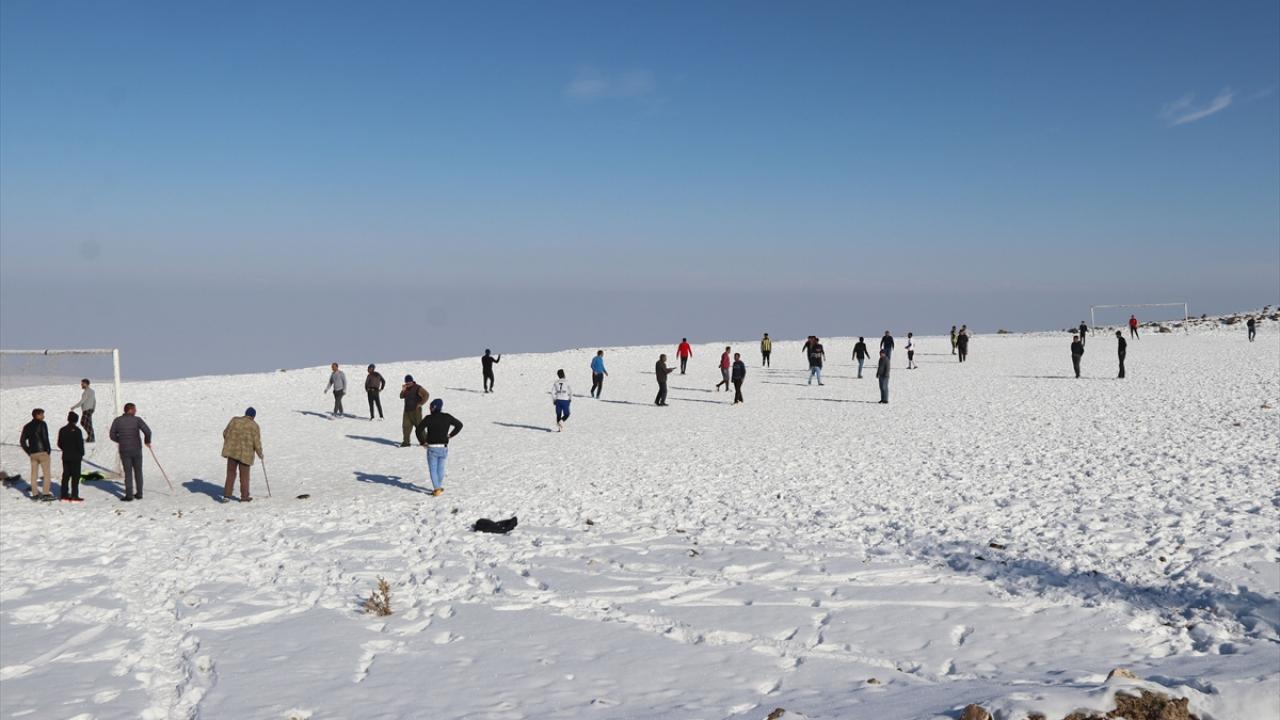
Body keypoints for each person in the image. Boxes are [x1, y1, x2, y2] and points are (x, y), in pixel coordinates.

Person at [415, 398, 463, 497]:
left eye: (430, 406)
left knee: (433, 469)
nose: (429, 408)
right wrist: (450, 435)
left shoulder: (428, 418)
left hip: (432, 447)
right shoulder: (447, 417)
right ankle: (438, 487)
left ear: (433, 407)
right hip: (443, 447)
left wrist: (423, 442)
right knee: (440, 468)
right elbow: (459, 425)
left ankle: (437, 489)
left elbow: (418, 430)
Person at [109, 402, 152, 502]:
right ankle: (139, 493)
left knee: (128, 473)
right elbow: (147, 431)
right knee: (138, 471)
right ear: (130, 410)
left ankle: (129, 495)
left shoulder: (117, 420)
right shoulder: (137, 420)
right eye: (134, 409)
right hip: (136, 449)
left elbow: (112, 435)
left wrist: (120, 440)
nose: (136, 411)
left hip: (124, 450)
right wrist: (147, 441)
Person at [220, 408, 263, 502]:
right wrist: (260, 454)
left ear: (245, 413)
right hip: (245, 455)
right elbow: (257, 443)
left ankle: (226, 496)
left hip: (232, 452)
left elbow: (225, 433)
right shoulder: (254, 426)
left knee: (230, 473)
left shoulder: (234, 420)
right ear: (253, 416)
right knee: (244, 477)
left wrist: (231, 442)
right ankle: (244, 497)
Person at [20, 408, 53, 500]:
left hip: (33, 454)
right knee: (46, 473)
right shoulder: (42, 424)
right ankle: (45, 493)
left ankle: (35, 494)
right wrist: (48, 450)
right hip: (42, 452)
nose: (43, 416)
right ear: (37, 415)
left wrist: (28, 451)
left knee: (34, 474)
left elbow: (22, 441)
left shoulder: (27, 426)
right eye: (42, 414)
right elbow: (45, 438)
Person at [58, 412, 85, 502]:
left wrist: (65, 449)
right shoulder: (77, 431)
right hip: (76, 457)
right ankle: (74, 495)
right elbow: (80, 444)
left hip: (66, 456)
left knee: (65, 476)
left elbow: (59, 443)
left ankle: (64, 494)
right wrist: (81, 453)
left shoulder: (62, 430)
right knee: (75, 476)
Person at [399, 375, 430, 447]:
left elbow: (426, 395)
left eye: (409, 382)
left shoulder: (418, 388)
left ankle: (425, 441)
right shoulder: (406, 388)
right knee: (406, 427)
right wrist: (403, 390)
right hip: (407, 411)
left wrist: (421, 404)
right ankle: (406, 442)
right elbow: (401, 396)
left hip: (416, 411)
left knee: (419, 427)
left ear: (412, 381)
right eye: (407, 382)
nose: (408, 384)